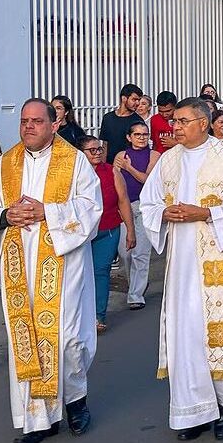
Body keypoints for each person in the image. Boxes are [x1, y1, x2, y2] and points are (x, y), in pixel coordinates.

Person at [0, 98, 102, 443]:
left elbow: (92, 208)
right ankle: (38, 420)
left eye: (36, 121)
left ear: (54, 125)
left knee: (70, 341)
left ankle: (75, 399)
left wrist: (50, 212)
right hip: (20, 268)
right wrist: (3, 217)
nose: (28, 126)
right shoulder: (4, 165)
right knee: (27, 340)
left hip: (65, 265)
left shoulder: (74, 162)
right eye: (24, 121)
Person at [136, 98, 223, 440]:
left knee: (214, 332)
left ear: (203, 123)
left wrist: (204, 214)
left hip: (215, 258)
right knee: (184, 333)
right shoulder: (169, 160)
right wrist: (164, 213)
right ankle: (193, 412)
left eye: (183, 121)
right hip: (180, 265)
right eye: (174, 121)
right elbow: (150, 200)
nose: (175, 126)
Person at [80, 135, 134, 333]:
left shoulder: (111, 171)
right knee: (80, 274)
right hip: (82, 233)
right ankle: (80, 315)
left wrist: (130, 230)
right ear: (81, 153)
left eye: (99, 149)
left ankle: (98, 316)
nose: (97, 153)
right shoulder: (73, 174)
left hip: (108, 229)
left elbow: (123, 200)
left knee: (101, 271)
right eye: (92, 150)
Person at [114, 121, 159, 310]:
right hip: (124, 207)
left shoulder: (154, 155)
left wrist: (129, 167)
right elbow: (115, 177)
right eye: (138, 135)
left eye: (145, 135)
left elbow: (147, 179)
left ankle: (135, 295)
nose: (142, 138)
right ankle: (136, 283)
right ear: (129, 137)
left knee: (141, 252)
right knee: (125, 253)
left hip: (145, 206)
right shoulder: (120, 155)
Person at [100, 83, 144, 163]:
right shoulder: (107, 118)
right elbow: (105, 144)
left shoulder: (138, 121)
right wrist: (103, 167)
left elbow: (140, 146)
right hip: (110, 165)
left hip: (129, 165)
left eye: (139, 100)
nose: (137, 103)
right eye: (134, 99)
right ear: (124, 98)